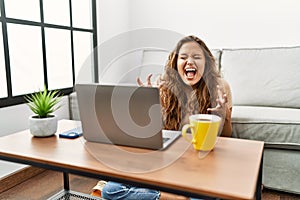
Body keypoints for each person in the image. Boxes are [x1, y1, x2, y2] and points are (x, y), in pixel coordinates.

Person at [100, 35, 233, 200]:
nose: (189, 61)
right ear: (175, 63)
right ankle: (170, 198)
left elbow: (227, 137)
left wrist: (223, 115)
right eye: (183, 57)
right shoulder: (164, 86)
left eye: (196, 57)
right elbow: (154, 137)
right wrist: (148, 105)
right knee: (111, 190)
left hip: (201, 168)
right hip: (169, 163)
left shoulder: (220, 87)